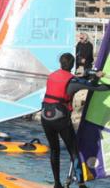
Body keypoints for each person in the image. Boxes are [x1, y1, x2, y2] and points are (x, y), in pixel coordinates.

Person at [41, 53, 110, 188]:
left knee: (54, 151)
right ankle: (81, 184)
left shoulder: (52, 76)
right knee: (74, 151)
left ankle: (57, 184)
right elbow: (96, 88)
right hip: (60, 119)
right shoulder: (73, 81)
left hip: (45, 117)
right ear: (73, 65)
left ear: (61, 63)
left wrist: (88, 74)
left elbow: (74, 80)